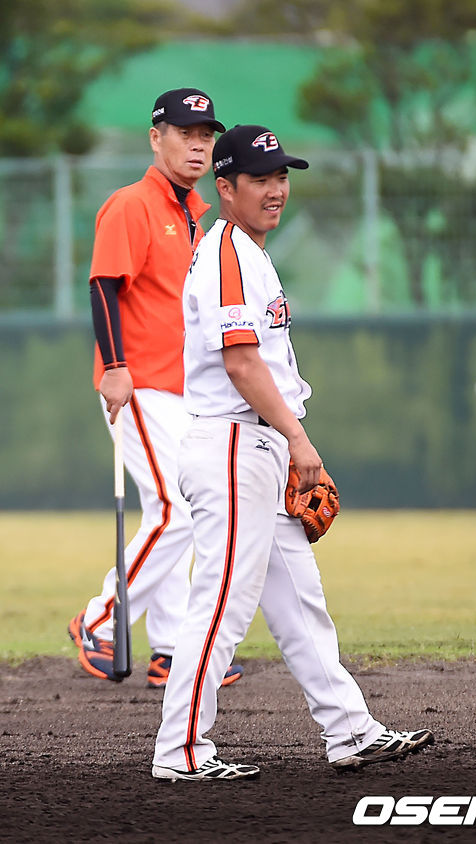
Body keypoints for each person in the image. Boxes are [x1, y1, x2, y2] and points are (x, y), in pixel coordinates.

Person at [151, 124, 434, 781]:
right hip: (232, 444)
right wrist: (299, 441)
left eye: (282, 175)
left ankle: (351, 731)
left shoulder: (251, 252)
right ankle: (180, 752)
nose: (276, 189)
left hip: (258, 445)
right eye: (260, 178)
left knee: (301, 603)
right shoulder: (227, 252)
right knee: (221, 605)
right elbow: (242, 363)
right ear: (226, 188)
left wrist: (288, 444)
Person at [68, 88, 242, 689]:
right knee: (177, 511)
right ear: (155, 137)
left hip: (183, 389)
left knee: (175, 511)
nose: (198, 145)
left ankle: (171, 650)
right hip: (138, 383)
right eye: (185, 133)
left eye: (206, 135)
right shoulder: (131, 205)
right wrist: (115, 367)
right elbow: (103, 285)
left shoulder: (196, 214)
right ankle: (100, 619)